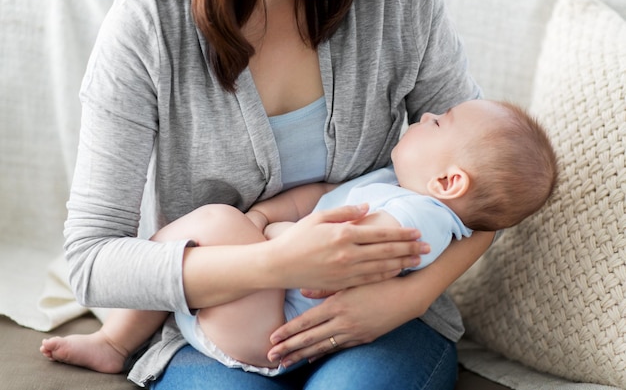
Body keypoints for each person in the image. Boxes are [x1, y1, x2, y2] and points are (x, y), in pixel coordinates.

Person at [42, 0, 512, 388]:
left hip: (380, 322)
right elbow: (92, 261)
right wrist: (275, 263)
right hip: (225, 315)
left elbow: (487, 188)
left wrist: (408, 299)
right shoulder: (150, 25)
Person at [41, 99, 558, 377]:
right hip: (261, 307)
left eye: (438, 123)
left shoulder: (423, 219)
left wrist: (272, 237)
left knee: (219, 224)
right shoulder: (394, 186)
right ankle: (116, 341)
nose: (424, 115)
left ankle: (116, 340)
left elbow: (345, 253)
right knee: (218, 228)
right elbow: (323, 195)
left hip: (276, 330)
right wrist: (269, 214)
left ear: (449, 182)